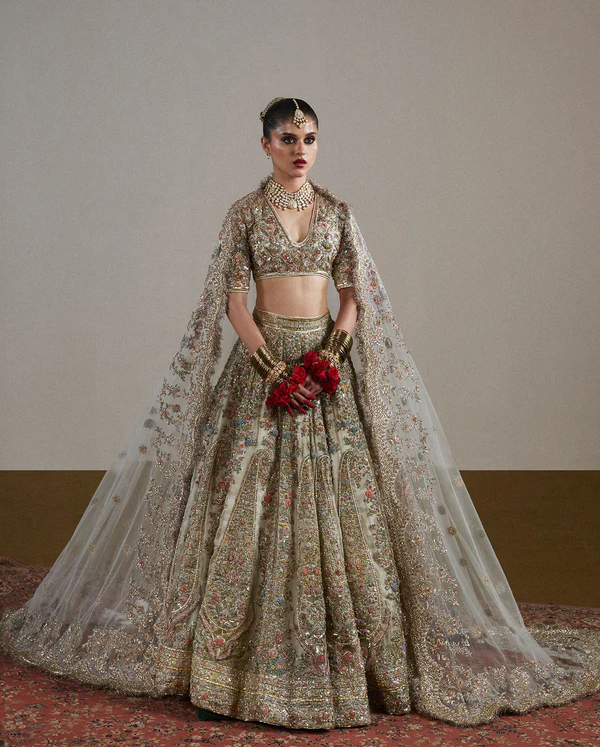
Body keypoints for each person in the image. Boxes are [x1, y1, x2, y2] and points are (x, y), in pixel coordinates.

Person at [1, 97, 599, 731]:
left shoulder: (338, 214)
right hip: (261, 370)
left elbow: (354, 297)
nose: (300, 148)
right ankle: (223, 673)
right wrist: (274, 372)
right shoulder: (245, 213)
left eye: (309, 137)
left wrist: (325, 362)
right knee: (241, 510)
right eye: (287, 138)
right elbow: (235, 303)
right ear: (265, 144)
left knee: (350, 517)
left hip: (324, 372)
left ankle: (362, 669)